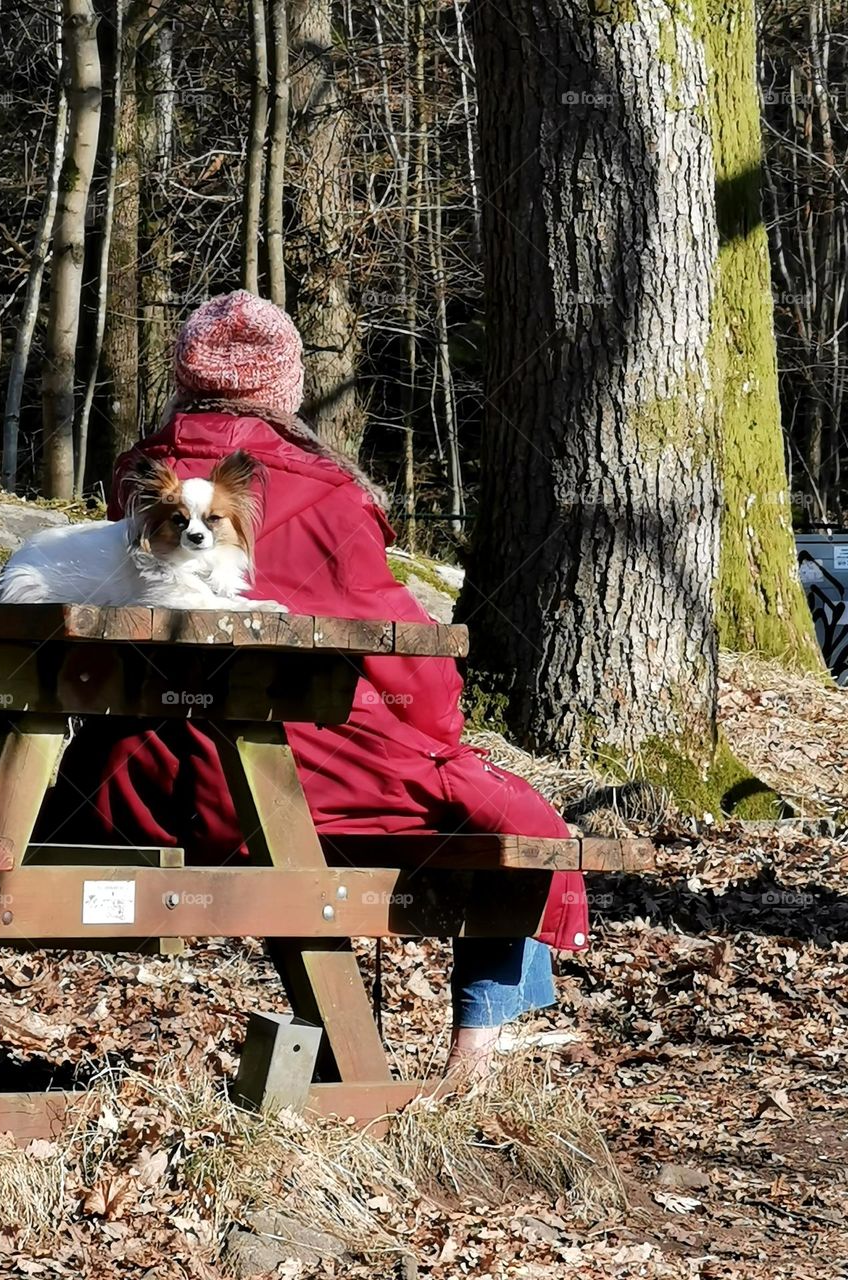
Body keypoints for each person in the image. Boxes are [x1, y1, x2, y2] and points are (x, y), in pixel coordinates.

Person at [43, 290, 589, 1076]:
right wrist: (434, 744)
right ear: (286, 388)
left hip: (133, 782)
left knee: (483, 809)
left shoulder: (144, 482)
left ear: (184, 379)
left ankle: (382, 1051)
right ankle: (476, 1064)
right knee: (515, 819)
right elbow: (406, 659)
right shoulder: (324, 491)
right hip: (298, 773)